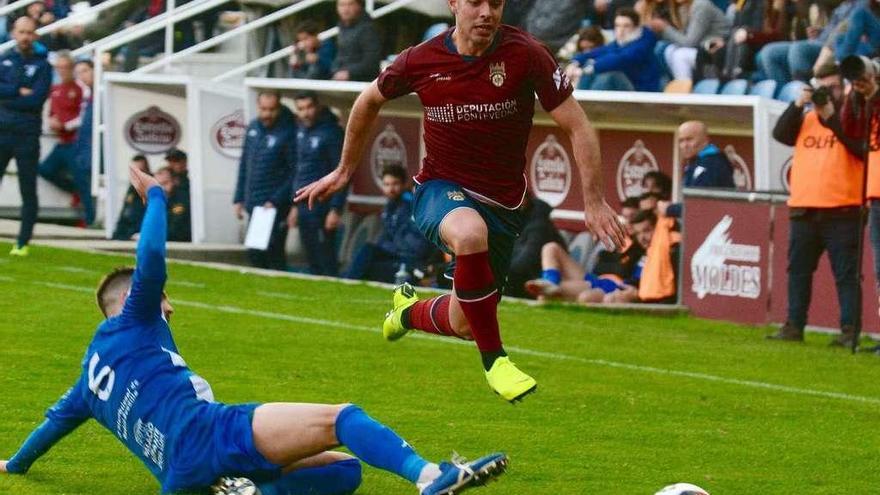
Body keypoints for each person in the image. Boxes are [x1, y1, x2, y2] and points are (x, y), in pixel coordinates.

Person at [0, 164, 509, 495]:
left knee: (343, 470)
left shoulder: (90, 379)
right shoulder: (136, 315)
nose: (170, 309)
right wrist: (155, 195)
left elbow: (49, 428)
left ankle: (243, 490)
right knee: (343, 419)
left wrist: (13, 466)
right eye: (164, 300)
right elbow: (151, 254)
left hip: (178, 480)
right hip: (206, 434)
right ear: (136, 300)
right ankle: (428, 478)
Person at [295, 0, 627, 402]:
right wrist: (344, 170)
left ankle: (406, 312)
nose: (487, 12)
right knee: (470, 233)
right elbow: (367, 101)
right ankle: (496, 362)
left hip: (503, 205)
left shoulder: (525, 53)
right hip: (440, 188)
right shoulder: (421, 59)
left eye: (496, 3)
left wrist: (593, 201)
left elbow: (578, 125)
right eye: (475, 2)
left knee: (465, 320)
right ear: (453, 4)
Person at [767, 64, 863, 345]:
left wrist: (831, 116)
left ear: (845, 87)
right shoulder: (806, 118)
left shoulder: (854, 117)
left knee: (846, 274)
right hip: (804, 207)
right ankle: (793, 326)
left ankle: (849, 331)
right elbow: (781, 134)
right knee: (798, 271)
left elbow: (857, 146)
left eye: (833, 87)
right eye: (822, 87)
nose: (827, 93)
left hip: (843, 208)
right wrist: (798, 103)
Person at [0, 17, 51, 257]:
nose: (25, 36)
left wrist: (8, 96)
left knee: (27, 189)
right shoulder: (4, 59)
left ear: (35, 35)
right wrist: (17, 91)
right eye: (21, 32)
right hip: (2, 131)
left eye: (29, 32)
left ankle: (22, 241)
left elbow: (36, 99)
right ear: (13, 33)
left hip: (27, 135)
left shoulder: (43, 65)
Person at [234, 91, 297, 271]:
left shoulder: (288, 131)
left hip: (273, 206)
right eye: (263, 109)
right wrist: (238, 197)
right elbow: (245, 164)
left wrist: (276, 200)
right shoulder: (253, 128)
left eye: (271, 110)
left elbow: (294, 172)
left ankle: (280, 289)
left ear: (279, 108)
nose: (267, 114)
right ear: (257, 106)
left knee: (271, 252)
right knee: (255, 252)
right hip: (254, 202)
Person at [344, 164, 436, 283]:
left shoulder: (412, 205)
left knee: (366, 265)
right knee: (367, 254)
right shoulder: (390, 205)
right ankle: (347, 280)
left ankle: (347, 281)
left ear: (403, 184)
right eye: (387, 184)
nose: (391, 189)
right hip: (393, 256)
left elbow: (416, 245)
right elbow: (386, 237)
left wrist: (392, 249)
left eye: (395, 184)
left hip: (409, 260)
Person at [288, 91, 345, 276]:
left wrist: (336, 208)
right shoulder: (301, 131)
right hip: (304, 205)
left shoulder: (331, 132)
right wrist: (294, 205)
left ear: (317, 107)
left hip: (323, 205)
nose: (305, 113)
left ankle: (335, 292)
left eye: (309, 108)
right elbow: (299, 169)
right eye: (301, 109)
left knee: (325, 257)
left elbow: (342, 173)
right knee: (311, 256)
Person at [37, 52, 88, 226]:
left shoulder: (80, 88)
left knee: (82, 179)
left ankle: (89, 219)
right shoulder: (55, 89)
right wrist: (51, 122)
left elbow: (84, 115)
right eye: (59, 67)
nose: (62, 71)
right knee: (44, 169)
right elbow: (50, 113)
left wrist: (65, 126)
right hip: (62, 142)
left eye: (65, 67)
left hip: (75, 141)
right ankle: (74, 190)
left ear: (72, 68)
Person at [567, 7, 660, 92]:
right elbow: (599, 52)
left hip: (640, 91)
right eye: (618, 25)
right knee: (593, 67)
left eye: (626, 26)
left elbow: (621, 59)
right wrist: (576, 62)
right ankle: (582, 103)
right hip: (625, 89)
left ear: (636, 28)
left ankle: (588, 106)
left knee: (609, 76)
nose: (621, 30)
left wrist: (589, 68)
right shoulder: (621, 42)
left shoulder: (643, 44)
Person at [663, 120, 735, 218]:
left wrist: (669, 209)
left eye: (689, 139)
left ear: (705, 140)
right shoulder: (696, 162)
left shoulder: (711, 163)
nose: (685, 145)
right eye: (681, 140)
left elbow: (701, 205)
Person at [646, 0, 730, 81]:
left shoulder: (701, 5)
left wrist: (665, 28)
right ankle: (677, 85)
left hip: (717, 50)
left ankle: (684, 91)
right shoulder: (681, 8)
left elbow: (689, 42)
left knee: (680, 55)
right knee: (669, 50)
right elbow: (679, 38)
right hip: (700, 48)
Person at [504, 195, 566, 299]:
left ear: (524, 201)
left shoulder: (539, 225)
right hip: (525, 280)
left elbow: (526, 262)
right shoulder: (514, 221)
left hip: (539, 280)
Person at [331, 0, 382, 82]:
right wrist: (335, 70)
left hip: (363, 83)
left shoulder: (368, 29)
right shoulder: (342, 27)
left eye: (350, 4)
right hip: (343, 79)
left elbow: (372, 62)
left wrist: (349, 72)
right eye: (342, 5)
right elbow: (340, 56)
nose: (345, 9)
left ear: (359, 6)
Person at [113, 155, 152, 240]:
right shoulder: (132, 188)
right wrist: (116, 234)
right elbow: (124, 213)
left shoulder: (152, 189)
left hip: (140, 233)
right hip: (127, 232)